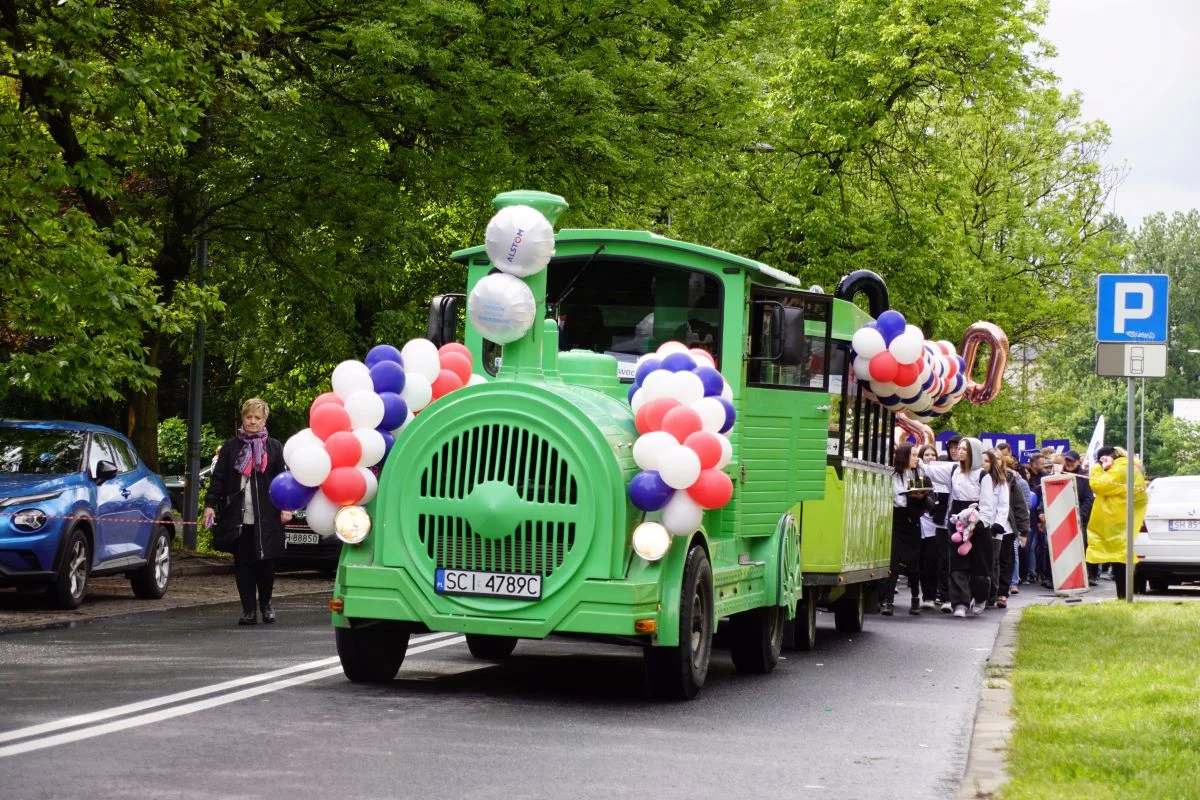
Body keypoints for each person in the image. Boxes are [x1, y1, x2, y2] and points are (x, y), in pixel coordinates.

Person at [203, 398, 292, 626]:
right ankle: (249, 610)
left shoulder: (274, 447)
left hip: (267, 515)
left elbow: (284, 480)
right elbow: (219, 478)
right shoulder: (231, 447)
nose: (252, 421)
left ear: (264, 420)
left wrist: (286, 507)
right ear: (243, 418)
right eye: (248, 417)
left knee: (266, 563)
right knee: (243, 564)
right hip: (238, 516)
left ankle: (266, 604)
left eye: (257, 418)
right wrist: (210, 504)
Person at [923, 437, 991, 617]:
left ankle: (980, 596)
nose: (959, 452)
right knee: (956, 563)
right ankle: (959, 602)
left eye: (964, 449)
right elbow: (932, 472)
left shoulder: (983, 476)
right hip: (957, 520)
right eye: (959, 449)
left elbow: (987, 505)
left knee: (979, 566)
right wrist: (919, 463)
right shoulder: (954, 470)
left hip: (977, 521)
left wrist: (978, 522)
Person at [1085, 445, 1147, 599]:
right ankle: (1124, 595)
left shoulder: (1119, 469)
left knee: (1118, 558)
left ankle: (1123, 595)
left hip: (1115, 518)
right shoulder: (1130, 467)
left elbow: (1099, 486)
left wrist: (1098, 468)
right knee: (1121, 556)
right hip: (1124, 516)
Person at [881, 443, 932, 615]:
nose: (916, 459)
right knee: (893, 561)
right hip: (896, 520)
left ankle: (915, 599)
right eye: (914, 455)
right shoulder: (891, 475)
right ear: (904, 457)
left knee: (914, 563)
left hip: (913, 521)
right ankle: (888, 601)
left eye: (917, 455)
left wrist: (921, 497)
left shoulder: (919, 473)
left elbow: (930, 501)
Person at [989, 447, 1029, 608]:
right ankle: (989, 592)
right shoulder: (982, 478)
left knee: (1006, 561)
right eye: (993, 459)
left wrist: (1023, 530)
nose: (996, 463)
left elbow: (1020, 506)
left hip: (1007, 528)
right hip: (988, 526)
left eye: (999, 459)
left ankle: (1002, 593)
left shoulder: (1011, 480)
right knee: (991, 562)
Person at [916, 444, 943, 610]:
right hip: (920, 524)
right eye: (927, 455)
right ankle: (924, 595)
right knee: (920, 564)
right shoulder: (916, 474)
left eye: (933, 455)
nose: (930, 457)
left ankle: (931, 596)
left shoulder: (941, 477)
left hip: (936, 526)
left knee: (932, 563)